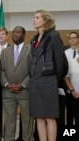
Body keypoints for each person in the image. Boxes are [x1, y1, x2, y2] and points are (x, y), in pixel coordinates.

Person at [29, 10, 68, 141]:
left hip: (49, 80)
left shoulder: (53, 35)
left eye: (37, 17)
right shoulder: (33, 39)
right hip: (35, 81)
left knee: (49, 116)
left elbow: (60, 60)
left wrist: (54, 80)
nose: (34, 20)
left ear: (45, 20)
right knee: (38, 116)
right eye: (34, 18)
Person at [1, 26, 34, 141]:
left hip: (25, 91)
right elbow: (2, 71)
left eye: (18, 32)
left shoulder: (31, 49)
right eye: (13, 32)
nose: (15, 34)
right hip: (8, 92)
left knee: (27, 121)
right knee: (9, 121)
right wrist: (7, 84)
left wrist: (23, 84)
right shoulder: (5, 52)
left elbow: (33, 71)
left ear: (24, 35)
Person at [64, 32, 79, 125]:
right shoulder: (65, 53)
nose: (72, 39)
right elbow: (65, 74)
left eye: (75, 37)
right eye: (70, 38)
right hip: (70, 91)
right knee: (70, 116)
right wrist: (72, 90)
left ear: (78, 39)